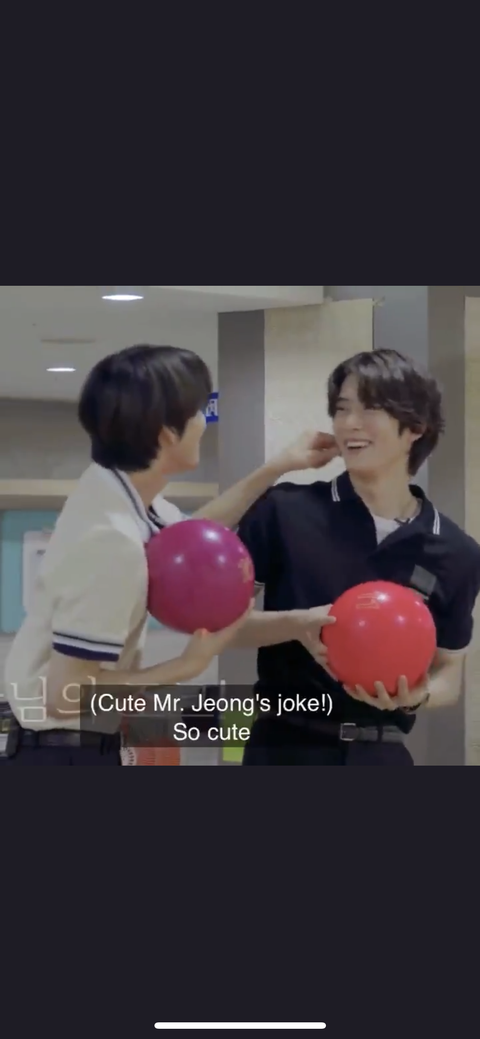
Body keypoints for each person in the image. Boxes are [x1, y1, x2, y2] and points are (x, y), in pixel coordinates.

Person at [0, 344, 338, 765]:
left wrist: (277, 467)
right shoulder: (111, 542)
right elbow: (64, 698)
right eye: (198, 413)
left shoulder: (114, 493)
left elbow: (187, 538)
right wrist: (183, 667)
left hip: (72, 748)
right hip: (61, 754)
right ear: (166, 434)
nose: (203, 423)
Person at [234, 348, 480, 766]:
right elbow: (221, 628)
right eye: (342, 409)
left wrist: (416, 696)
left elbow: (448, 675)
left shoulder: (456, 551)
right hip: (282, 746)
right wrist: (296, 624)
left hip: (381, 755)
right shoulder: (284, 510)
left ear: (416, 426)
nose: (349, 423)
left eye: (370, 409)